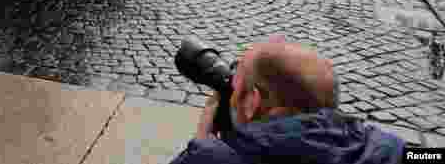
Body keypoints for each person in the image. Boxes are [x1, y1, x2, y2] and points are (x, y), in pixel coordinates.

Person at [169, 38, 404, 163]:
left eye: (237, 87)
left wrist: (201, 143)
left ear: (252, 102)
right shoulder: (391, 148)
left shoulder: (211, 159)